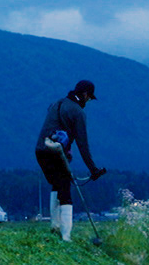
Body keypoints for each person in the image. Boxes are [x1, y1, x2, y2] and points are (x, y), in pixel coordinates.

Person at [34, 79, 106, 242]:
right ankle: (66, 237)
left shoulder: (57, 103)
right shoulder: (78, 112)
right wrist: (93, 169)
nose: (89, 101)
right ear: (85, 95)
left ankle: (55, 227)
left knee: (57, 184)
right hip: (55, 152)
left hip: (40, 151)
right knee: (65, 189)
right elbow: (83, 144)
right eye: (89, 97)